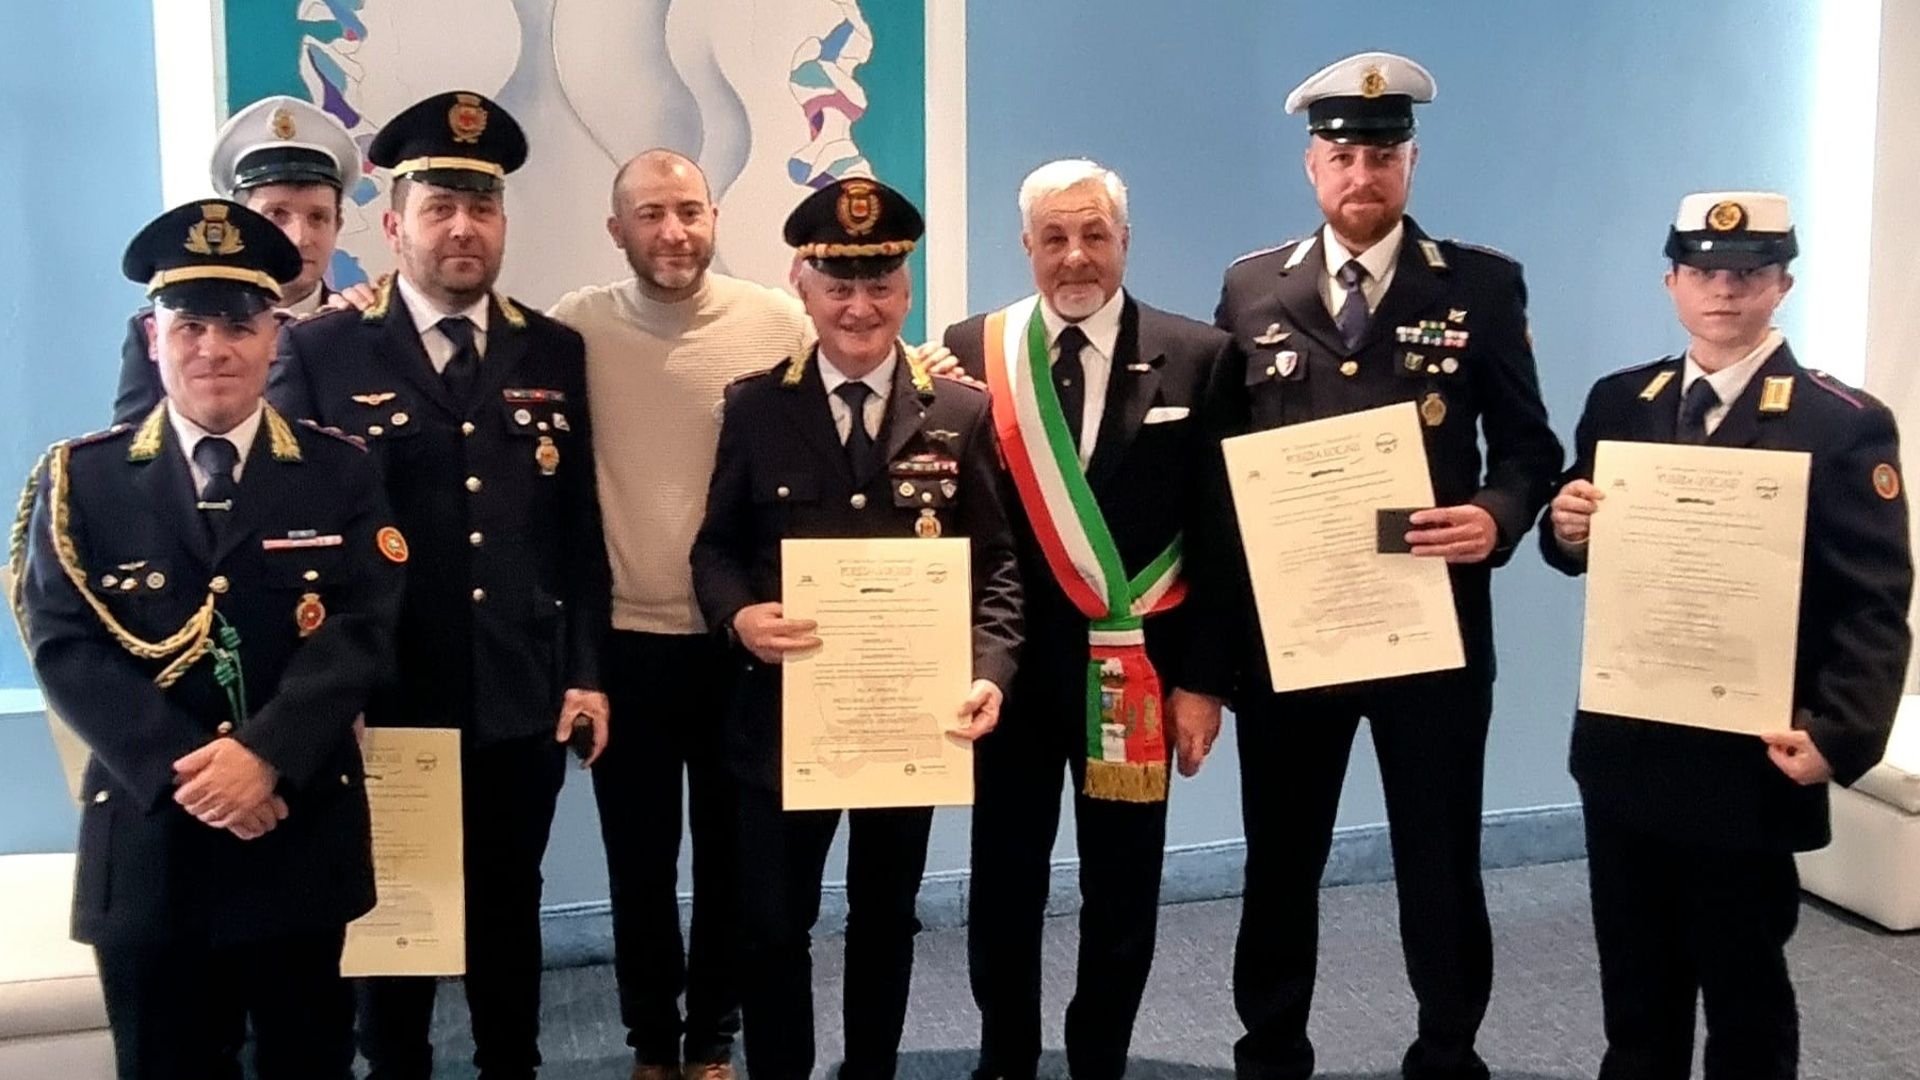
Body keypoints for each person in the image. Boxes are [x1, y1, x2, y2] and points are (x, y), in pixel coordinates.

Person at [1196, 51, 1563, 1080]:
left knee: (1439, 862)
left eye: (1384, 154)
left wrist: (1496, 516)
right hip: (1296, 637)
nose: (1364, 174)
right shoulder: (1251, 287)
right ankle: (1272, 1049)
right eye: (1344, 155)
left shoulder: (1480, 285)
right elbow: (1221, 471)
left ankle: (1447, 1050)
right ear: (1313, 166)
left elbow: (1530, 450)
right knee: (1282, 861)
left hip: (1429, 631)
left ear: (1411, 162)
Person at [16, 199, 405, 1079]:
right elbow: (65, 645)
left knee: (308, 1064)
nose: (213, 349)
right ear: (153, 337)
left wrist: (264, 758)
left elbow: (364, 628)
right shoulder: (83, 480)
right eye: (190, 325)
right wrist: (196, 775)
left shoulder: (339, 471)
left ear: (275, 337)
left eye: (238, 325)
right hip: (154, 841)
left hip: (296, 831)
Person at [269, 91, 612, 1080]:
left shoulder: (553, 349)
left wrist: (586, 673)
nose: (464, 228)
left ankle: (513, 1067)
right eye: (439, 208)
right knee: (395, 926)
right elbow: (293, 544)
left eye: (482, 207)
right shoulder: (320, 351)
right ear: (394, 226)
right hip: (383, 699)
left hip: (516, 691)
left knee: (509, 907)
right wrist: (318, 695)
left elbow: (576, 531)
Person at [1542, 191, 1912, 1080]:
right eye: (1704, 272)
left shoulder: (1840, 422)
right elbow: (1581, 544)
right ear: (1671, 282)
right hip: (1630, 746)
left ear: (1783, 284)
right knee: (1635, 991)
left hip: (1749, 758)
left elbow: (1874, 600)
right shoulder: (1622, 401)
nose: (1725, 290)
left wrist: (1842, 734)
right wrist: (1567, 527)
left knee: (1744, 990)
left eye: (1749, 272)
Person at [689, 176, 1022, 1080]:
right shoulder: (756, 407)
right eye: (839, 285)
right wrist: (739, 615)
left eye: (880, 285)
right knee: (772, 924)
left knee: (885, 918)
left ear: (907, 292)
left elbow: (997, 565)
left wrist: (990, 668)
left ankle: (870, 1069)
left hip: (906, 723)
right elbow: (715, 549)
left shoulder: (960, 412)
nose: (859, 307)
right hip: (783, 720)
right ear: (802, 287)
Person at [939, 158, 1237, 1080]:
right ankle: (1005, 1055)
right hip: (1013, 672)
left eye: (1094, 234)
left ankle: (1100, 1056)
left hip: (1136, 674)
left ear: (1125, 242)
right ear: (1026, 246)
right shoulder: (973, 348)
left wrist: (1203, 683)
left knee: (1123, 885)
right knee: (1004, 880)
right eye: (1055, 237)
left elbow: (1221, 537)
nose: (1075, 256)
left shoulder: (1200, 355)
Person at [547, 148, 812, 1080]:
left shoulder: (777, 322)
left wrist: (932, 358)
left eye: (690, 211)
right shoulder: (575, 329)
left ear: (714, 218)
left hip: (740, 644)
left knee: (735, 863)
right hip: (627, 649)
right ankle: (653, 1044)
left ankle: (713, 1041)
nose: (674, 232)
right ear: (616, 229)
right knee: (640, 866)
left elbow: (859, 372)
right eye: (651, 214)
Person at [113, 96, 363, 424]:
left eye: (318, 218)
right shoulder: (166, 331)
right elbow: (134, 448)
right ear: (243, 222)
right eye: (277, 215)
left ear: (338, 226)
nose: (300, 237)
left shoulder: (359, 330)